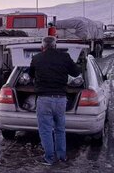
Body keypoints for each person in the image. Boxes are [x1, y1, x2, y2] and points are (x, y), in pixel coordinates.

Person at [29, 36, 81, 166]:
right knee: (60, 129)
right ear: (55, 46)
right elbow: (76, 73)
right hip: (60, 99)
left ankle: (49, 158)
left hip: (44, 99)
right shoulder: (65, 57)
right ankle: (62, 156)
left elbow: (30, 75)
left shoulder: (36, 58)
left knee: (45, 129)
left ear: (43, 47)